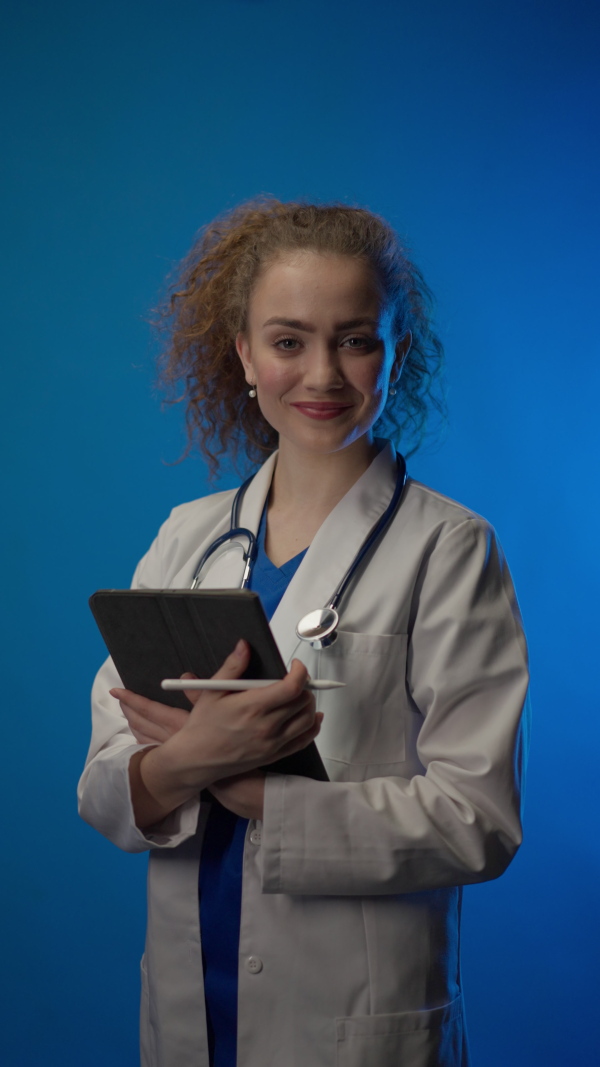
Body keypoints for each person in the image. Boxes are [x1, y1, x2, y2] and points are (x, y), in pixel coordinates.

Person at [78, 199, 530, 1067]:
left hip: (353, 1022)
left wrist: (257, 792)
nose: (322, 372)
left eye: (356, 339)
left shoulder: (448, 547)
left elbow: (480, 820)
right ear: (244, 354)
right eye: (288, 341)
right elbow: (102, 788)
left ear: (395, 353)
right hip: (187, 1005)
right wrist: (184, 763)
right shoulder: (187, 537)